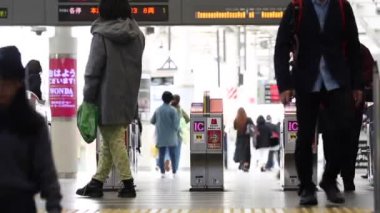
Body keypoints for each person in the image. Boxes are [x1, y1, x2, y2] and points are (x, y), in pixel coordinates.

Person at [274, 0, 362, 205]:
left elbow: (354, 45)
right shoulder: (296, 7)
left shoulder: (342, 6)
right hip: (306, 80)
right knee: (305, 136)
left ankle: (329, 179)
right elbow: (281, 47)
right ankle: (306, 186)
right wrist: (284, 85)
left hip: (336, 80)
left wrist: (357, 85)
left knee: (343, 131)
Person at [76, 0, 145, 198]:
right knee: (109, 141)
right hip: (128, 98)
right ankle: (96, 183)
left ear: (104, 11)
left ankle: (128, 183)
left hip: (106, 98)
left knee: (114, 140)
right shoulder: (138, 35)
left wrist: (88, 96)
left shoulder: (101, 35)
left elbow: (93, 69)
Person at [0, 46, 62, 213]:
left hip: (21, 204)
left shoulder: (33, 124)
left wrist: (53, 204)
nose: (2, 88)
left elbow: (46, 169)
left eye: (7, 82)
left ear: (19, 84)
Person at [319, 43, 375, 192]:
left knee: (345, 141)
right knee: (336, 141)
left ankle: (344, 178)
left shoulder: (359, 50)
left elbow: (369, 74)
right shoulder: (359, 50)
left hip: (348, 104)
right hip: (334, 104)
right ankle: (334, 178)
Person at [151, 91, 180, 178]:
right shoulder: (173, 110)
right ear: (171, 99)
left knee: (161, 155)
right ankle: (174, 171)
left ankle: (162, 172)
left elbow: (152, 121)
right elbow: (176, 125)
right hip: (171, 137)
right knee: (173, 155)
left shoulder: (158, 110)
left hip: (161, 137)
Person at [171, 94, 190, 172]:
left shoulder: (169, 108)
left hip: (170, 134)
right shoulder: (180, 110)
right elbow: (188, 119)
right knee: (177, 152)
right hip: (178, 134)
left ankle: (170, 166)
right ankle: (175, 168)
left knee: (169, 151)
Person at [233, 107, 254, 172]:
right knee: (246, 153)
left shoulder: (236, 120)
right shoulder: (248, 119)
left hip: (239, 139)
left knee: (240, 152)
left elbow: (235, 128)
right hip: (246, 139)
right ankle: (245, 165)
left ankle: (242, 164)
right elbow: (253, 127)